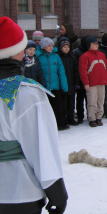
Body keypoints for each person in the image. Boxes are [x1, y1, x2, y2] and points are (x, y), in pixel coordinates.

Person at [0, 17, 68, 214]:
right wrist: (56, 191)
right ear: (19, 51)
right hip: (18, 191)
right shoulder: (26, 93)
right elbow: (41, 146)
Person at [36, 37, 69, 130]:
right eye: (48, 46)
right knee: (45, 107)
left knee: (58, 106)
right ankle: (47, 125)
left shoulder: (56, 56)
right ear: (43, 47)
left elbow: (61, 72)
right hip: (43, 87)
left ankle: (60, 123)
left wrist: (64, 86)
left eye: (52, 45)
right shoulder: (38, 57)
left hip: (55, 87)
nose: (51, 47)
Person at [79, 36, 107, 127]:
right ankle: (92, 118)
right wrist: (86, 83)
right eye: (94, 44)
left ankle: (99, 117)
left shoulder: (102, 55)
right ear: (89, 45)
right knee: (92, 101)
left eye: (97, 44)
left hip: (101, 82)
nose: (96, 45)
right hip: (91, 83)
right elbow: (83, 71)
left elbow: (106, 67)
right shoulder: (84, 56)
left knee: (100, 100)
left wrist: (105, 76)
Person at [58, 37, 80, 126]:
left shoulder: (73, 57)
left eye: (68, 47)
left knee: (71, 102)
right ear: (60, 48)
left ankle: (71, 118)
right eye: (64, 47)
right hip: (62, 84)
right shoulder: (59, 58)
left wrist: (77, 82)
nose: (66, 49)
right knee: (63, 103)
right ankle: (64, 119)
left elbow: (76, 71)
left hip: (71, 83)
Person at [72, 36, 89, 124]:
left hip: (89, 79)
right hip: (80, 78)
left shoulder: (89, 51)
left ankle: (90, 114)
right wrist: (77, 81)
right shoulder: (77, 52)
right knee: (80, 99)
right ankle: (80, 116)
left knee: (89, 98)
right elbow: (76, 67)